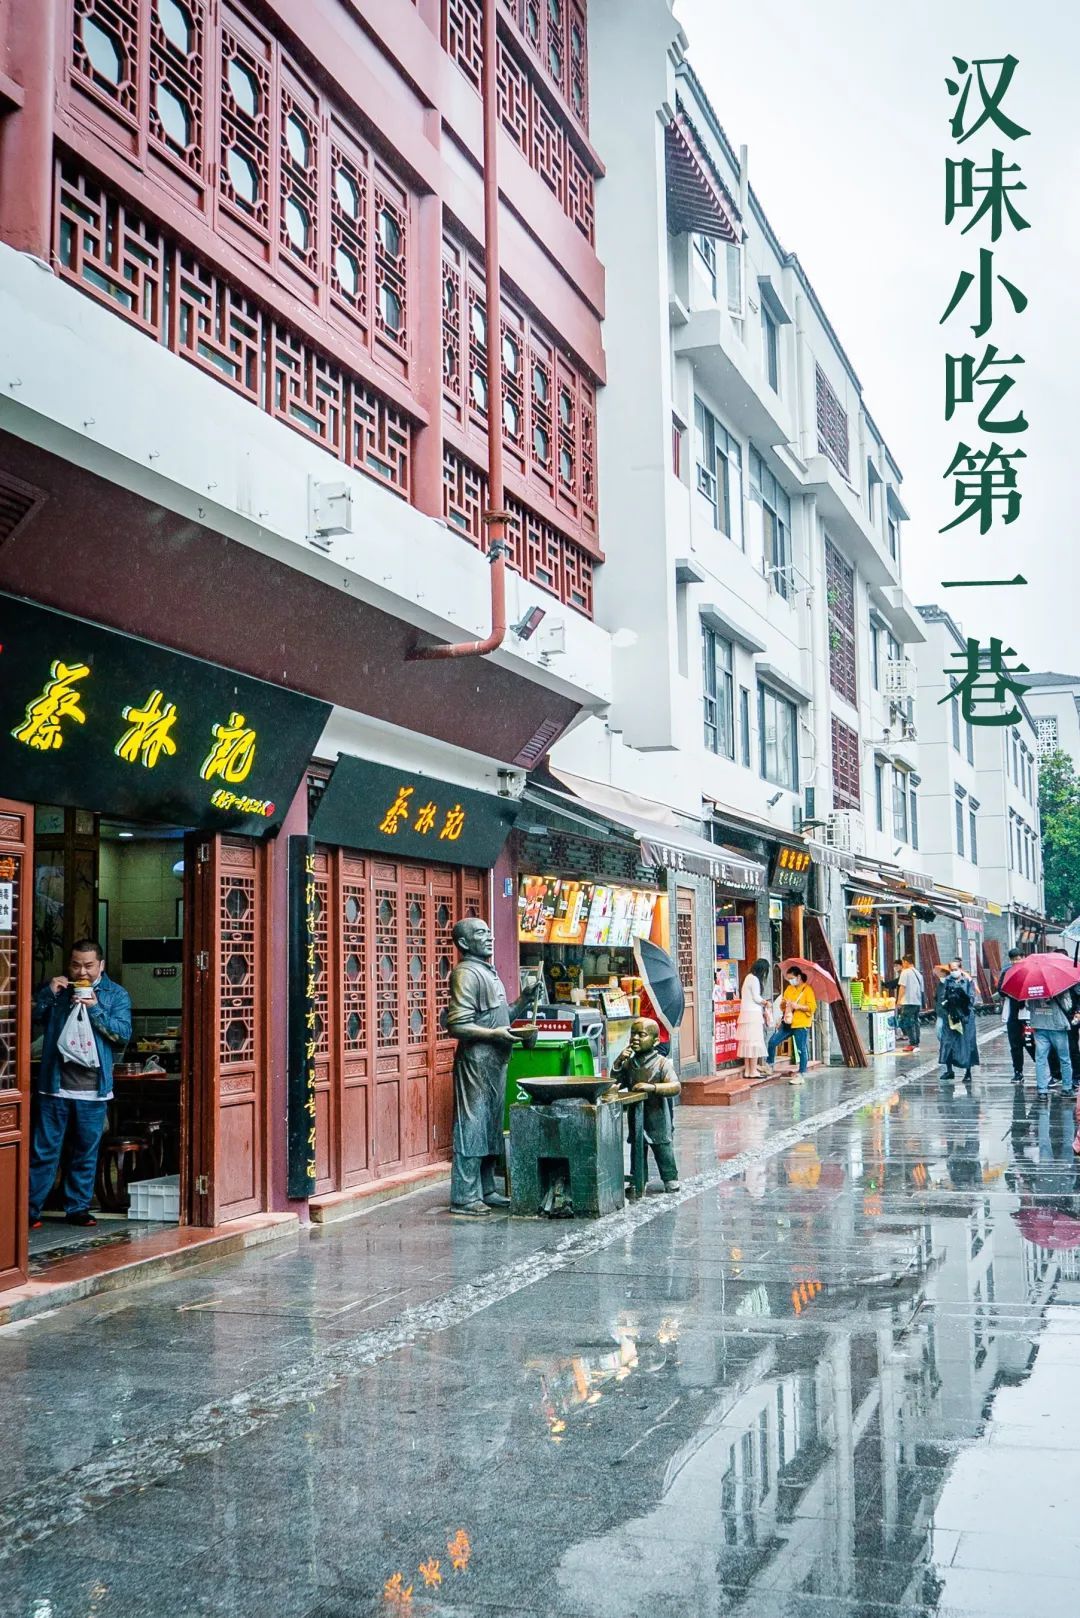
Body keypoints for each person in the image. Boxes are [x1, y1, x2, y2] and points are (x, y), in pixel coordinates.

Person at [28, 939, 132, 1230]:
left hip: (93, 1089)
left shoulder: (116, 994)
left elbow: (123, 1035)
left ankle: (78, 1208)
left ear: (101, 965)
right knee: (44, 1151)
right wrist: (48, 994)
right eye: (76, 965)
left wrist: (95, 1009)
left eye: (88, 965)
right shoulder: (60, 991)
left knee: (85, 1151)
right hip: (54, 1086)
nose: (81, 971)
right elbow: (31, 1019)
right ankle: (30, 1209)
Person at [445, 917, 539, 1217]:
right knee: (472, 1125)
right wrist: (494, 1035)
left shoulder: (488, 972)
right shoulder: (466, 974)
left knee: (491, 1125)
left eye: (489, 932)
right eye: (480, 933)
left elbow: (501, 1017)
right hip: (476, 1061)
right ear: (463, 942)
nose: (489, 937)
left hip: (496, 1060)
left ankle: (486, 1188)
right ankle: (464, 1196)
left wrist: (524, 1001)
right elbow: (457, 1025)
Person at [610, 1017, 680, 1191]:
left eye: (641, 1035)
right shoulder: (629, 1064)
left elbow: (675, 1086)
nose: (635, 1038)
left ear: (655, 1041)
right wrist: (618, 1063)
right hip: (636, 1114)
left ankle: (670, 1177)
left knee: (662, 1147)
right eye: (633, 1034)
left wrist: (653, 1087)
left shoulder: (661, 1063)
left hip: (657, 1115)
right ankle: (637, 1178)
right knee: (637, 1147)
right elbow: (616, 1082)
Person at [766, 966, 817, 1085]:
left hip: (801, 1023)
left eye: (792, 978)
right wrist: (784, 1005)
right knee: (773, 1041)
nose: (790, 981)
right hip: (787, 1022)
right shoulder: (789, 989)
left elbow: (812, 1007)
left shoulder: (807, 990)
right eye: (788, 979)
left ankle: (801, 1074)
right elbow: (782, 1006)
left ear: (798, 977)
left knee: (801, 1049)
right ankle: (769, 1065)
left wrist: (797, 1006)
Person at [1029, 986, 1078, 1099]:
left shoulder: (1032, 986)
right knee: (1064, 1058)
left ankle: (1042, 1091)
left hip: (1039, 1025)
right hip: (1058, 1026)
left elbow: (1028, 1006)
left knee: (1041, 1059)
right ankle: (1067, 1088)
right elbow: (1068, 1005)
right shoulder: (1060, 986)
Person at [938, 963, 979, 1083]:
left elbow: (971, 998)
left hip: (965, 1016)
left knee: (967, 1043)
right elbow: (941, 997)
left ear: (960, 969)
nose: (953, 971)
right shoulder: (946, 981)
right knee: (948, 1042)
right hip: (950, 1016)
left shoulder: (967, 981)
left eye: (955, 969)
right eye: (951, 969)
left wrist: (962, 1000)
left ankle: (968, 1072)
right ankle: (949, 1070)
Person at [735, 958, 771, 1079]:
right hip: (753, 1014)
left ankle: (747, 1070)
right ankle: (753, 1071)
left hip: (745, 1014)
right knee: (755, 1042)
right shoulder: (755, 979)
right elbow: (756, 997)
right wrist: (766, 1002)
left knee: (747, 1043)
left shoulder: (748, 977)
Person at [997, 948, 1026, 1084]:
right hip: (1013, 1013)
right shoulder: (1007, 972)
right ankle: (1018, 1071)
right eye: (1013, 959)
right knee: (1015, 1045)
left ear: (1023, 957)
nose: (1016, 962)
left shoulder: (1030, 971)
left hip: (1028, 1013)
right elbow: (1000, 991)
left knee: (1034, 1045)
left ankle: (1050, 1072)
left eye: (1018, 959)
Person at [895, 955, 925, 1051]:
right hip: (917, 1002)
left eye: (903, 962)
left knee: (907, 1021)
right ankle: (916, 1042)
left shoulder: (905, 972)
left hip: (908, 1001)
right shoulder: (918, 973)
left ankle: (912, 1043)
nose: (902, 964)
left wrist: (898, 1001)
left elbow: (902, 987)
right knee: (915, 1021)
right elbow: (922, 989)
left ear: (906, 962)